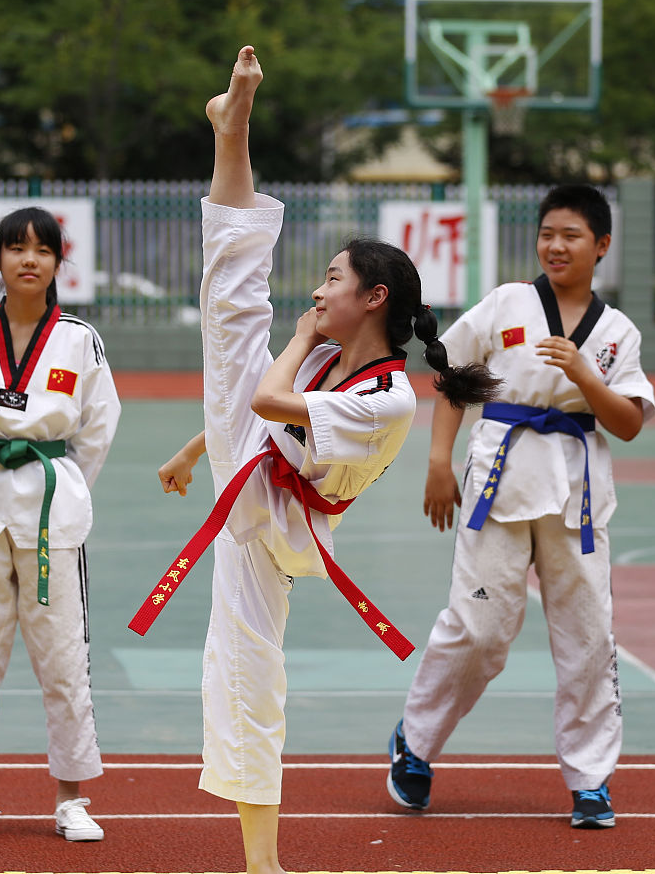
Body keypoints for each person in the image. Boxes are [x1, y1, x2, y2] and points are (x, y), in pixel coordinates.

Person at [141, 46, 499, 874]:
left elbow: (265, 406)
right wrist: (197, 448)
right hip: (252, 483)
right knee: (231, 300)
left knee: (241, 316)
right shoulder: (333, 361)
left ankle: (234, 133)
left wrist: (297, 338)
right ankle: (234, 130)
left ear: (374, 298)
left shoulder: (389, 397)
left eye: (331, 280)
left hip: (282, 521)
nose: (318, 292)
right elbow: (253, 415)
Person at [386, 184, 655, 829]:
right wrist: (437, 462)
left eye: (571, 236)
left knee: (588, 638)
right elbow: (453, 376)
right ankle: (416, 743)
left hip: (578, 496)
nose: (556, 246)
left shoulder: (617, 332)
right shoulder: (509, 302)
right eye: (547, 234)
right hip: (498, 483)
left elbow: (628, 424)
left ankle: (591, 779)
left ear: (602, 246)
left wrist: (587, 375)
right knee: (479, 631)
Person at [0, 206, 121, 841]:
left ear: (58, 263)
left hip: (51, 512)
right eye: (17, 248)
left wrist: (63, 487)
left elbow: (98, 427)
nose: (30, 259)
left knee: (63, 657)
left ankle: (71, 800)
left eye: (43, 249)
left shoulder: (78, 338)